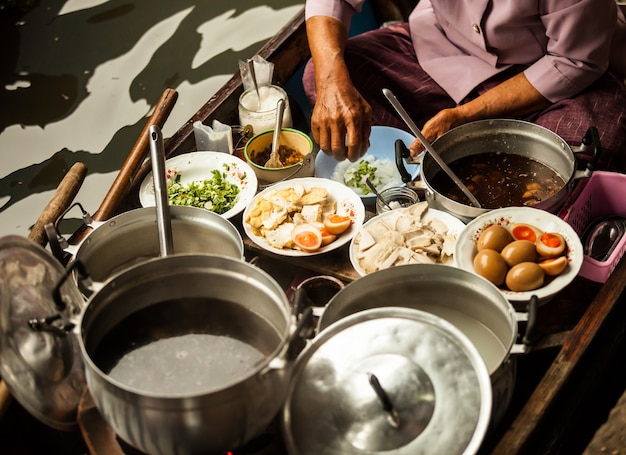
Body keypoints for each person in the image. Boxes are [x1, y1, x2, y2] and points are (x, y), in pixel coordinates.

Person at [303, 0, 626, 172]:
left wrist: (466, 115)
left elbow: (574, 61)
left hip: (545, 71)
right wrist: (332, 80)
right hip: (441, 45)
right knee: (333, 72)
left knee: (588, 146)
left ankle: (459, 147)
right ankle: (409, 170)